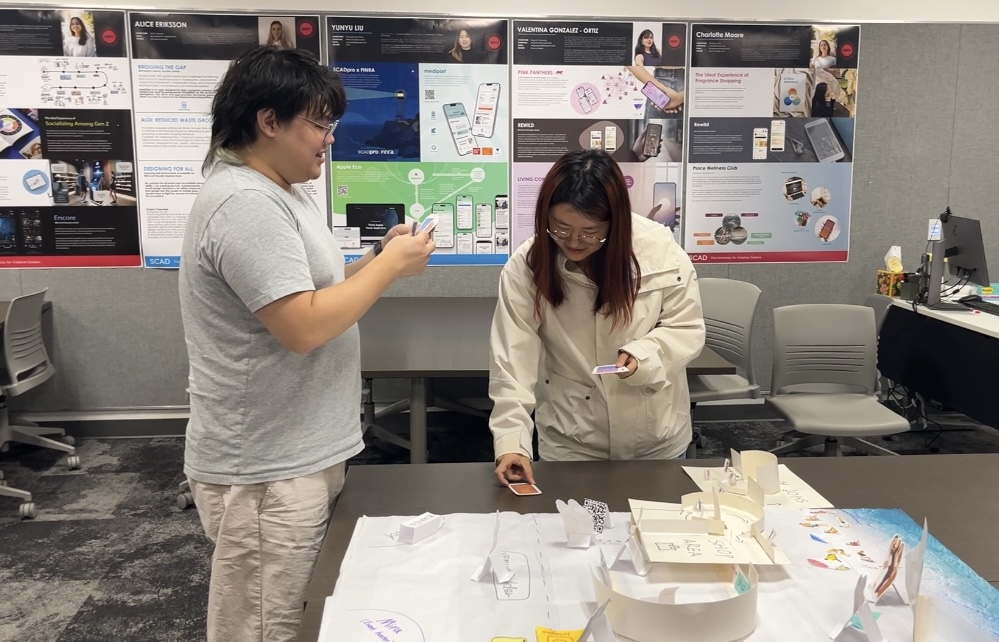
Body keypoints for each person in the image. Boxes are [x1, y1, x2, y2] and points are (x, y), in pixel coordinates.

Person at [178, 46, 435, 642]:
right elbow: (303, 327)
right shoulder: (244, 204)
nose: (328, 140)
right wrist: (388, 269)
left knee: (298, 612)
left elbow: (311, 292)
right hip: (267, 466)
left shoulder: (280, 193)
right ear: (269, 121)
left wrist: (372, 259)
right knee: (266, 623)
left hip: (298, 449)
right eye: (318, 124)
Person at [489, 150, 705, 486]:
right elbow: (512, 362)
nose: (574, 241)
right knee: (573, 535)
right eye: (560, 228)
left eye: (590, 231)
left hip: (655, 439)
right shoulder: (527, 267)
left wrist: (646, 354)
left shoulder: (661, 253)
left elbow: (687, 328)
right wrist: (511, 442)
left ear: (615, 223)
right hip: (572, 441)